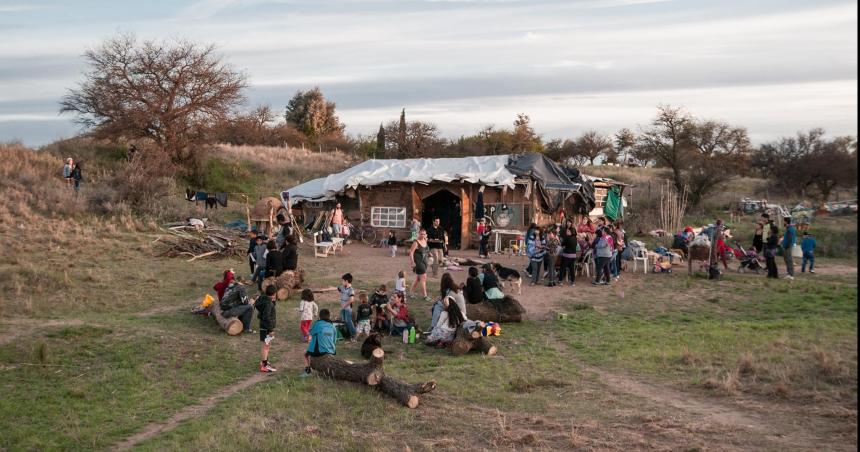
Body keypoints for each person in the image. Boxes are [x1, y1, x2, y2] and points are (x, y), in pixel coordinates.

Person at [301, 309, 337, 377]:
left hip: (321, 351)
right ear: (329, 316)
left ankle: (308, 371)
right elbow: (334, 340)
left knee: (306, 355)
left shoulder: (318, 324)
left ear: (320, 316)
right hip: (332, 350)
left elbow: (311, 333)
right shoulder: (333, 326)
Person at [255, 285, 278, 373]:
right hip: (266, 328)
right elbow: (266, 317)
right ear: (274, 293)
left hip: (264, 326)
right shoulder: (269, 304)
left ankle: (264, 361)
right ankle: (264, 366)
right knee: (265, 346)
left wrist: (273, 302)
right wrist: (271, 329)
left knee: (267, 345)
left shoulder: (264, 299)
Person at [408, 229, 430, 300]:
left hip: (424, 262)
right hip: (418, 262)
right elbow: (411, 252)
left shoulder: (425, 240)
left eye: (424, 234)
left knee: (418, 278)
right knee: (423, 278)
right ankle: (425, 296)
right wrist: (412, 262)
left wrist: (430, 254)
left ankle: (411, 293)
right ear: (418, 234)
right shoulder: (416, 242)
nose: (422, 235)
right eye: (421, 234)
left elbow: (426, 250)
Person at [338, 273, 357, 342]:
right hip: (343, 308)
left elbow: (351, 300)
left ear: (346, 281)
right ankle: (347, 334)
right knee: (344, 321)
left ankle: (354, 334)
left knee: (348, 321)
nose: (342, 282)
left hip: (347, 309)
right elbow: (336, 288)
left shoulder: (351, 290)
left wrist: (344, 306)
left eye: (343, 281)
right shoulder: (343, 287)